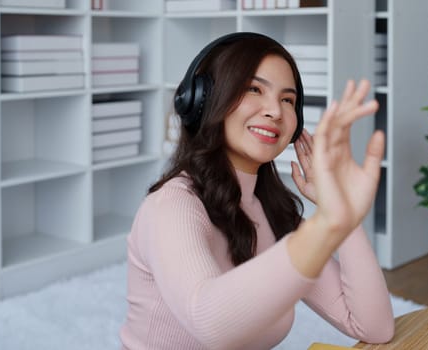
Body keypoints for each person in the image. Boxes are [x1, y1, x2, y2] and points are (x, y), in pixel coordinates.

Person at [120, 32, 394, 350]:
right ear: (203, 100)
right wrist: (325, 228)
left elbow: (374, 326)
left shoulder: (274, 213)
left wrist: (343, 214)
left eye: (287, 100)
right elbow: (209, 322)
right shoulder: (172, 205)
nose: (275, 111)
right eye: (254, 89)